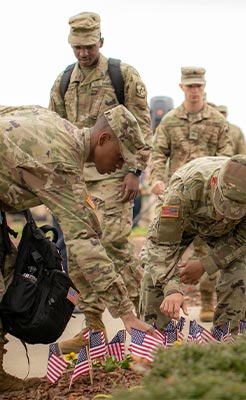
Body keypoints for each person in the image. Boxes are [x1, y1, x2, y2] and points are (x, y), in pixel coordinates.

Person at [0, 105, 153, 393]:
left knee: (7, 270)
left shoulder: (53, 123)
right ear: (104, 139)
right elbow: (86, 246)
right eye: (120, 157)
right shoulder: (63, 166)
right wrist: (126, 313)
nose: (120, 166)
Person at [49, 12, 152, 352]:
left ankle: (144, 316)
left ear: (101, 42)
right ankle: (93, 330)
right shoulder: (63, 81)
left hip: (114, 176)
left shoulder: (122, 75)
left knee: (111, 244)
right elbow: (56, 131)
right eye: (77, 47)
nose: (83, 53)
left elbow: (142, 128)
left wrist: (134, 171)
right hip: (77, 179)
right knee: (79, 255)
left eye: (89, 46)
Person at [141, 155, 246, 332]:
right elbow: (160, 246)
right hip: (186, 221)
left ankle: (229, 340)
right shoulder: (184, 188)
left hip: (230, 233)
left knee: (237, 275)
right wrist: (171, 288)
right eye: (224, 202)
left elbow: (245, 239)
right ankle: (153, 341)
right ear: (215, 182)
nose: (227, 212)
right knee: (154, 275)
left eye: (237, 206)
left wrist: (205, 264)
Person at [149, 66, 233, 322]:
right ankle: (165, 300)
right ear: (181, 87)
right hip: (177, 196)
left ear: (204, 86)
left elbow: (228, 158)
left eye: (198, 85)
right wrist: (156, 180)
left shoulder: (217, 121)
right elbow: (158, 154)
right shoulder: (170, 120)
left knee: (207, 249)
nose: (194, 90)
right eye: (190, 86)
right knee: (164, 247)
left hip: (209, 200)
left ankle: (208, 300)